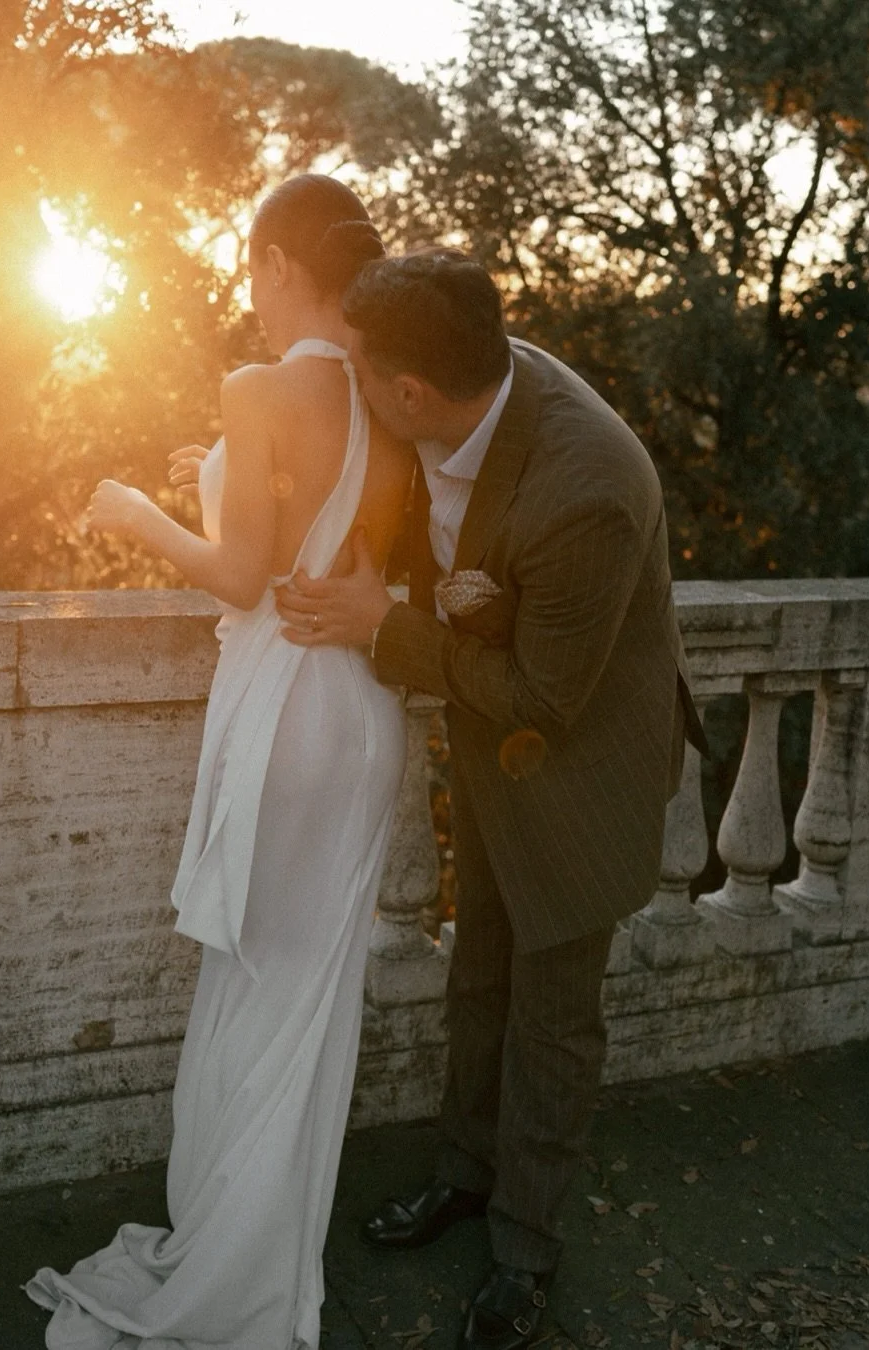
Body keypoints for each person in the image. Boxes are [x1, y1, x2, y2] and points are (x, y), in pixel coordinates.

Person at [275, 249, 710, 1350]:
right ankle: (464, 1179)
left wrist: (384, 626)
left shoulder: (589, 488)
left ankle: (525, 1252)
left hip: (576, 774)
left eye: (364, 377)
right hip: (486, 752)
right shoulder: (454, 392)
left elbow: (543, 699)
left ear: (411, 393)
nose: (356, 393)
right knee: (478, 981)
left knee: (553, 1026)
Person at [24, 175, 415, 1350]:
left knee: (253, 978)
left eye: (253, 274)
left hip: (286, 709)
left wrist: (144, 513)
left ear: (277, 264)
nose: (250, 301)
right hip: (362, 712)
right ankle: (270, 1250)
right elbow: (315, 533)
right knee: (308, 996)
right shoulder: (391, 398)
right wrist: (220, 471)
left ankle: (228, 1268)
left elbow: (245, 575)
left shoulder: (261, 385)